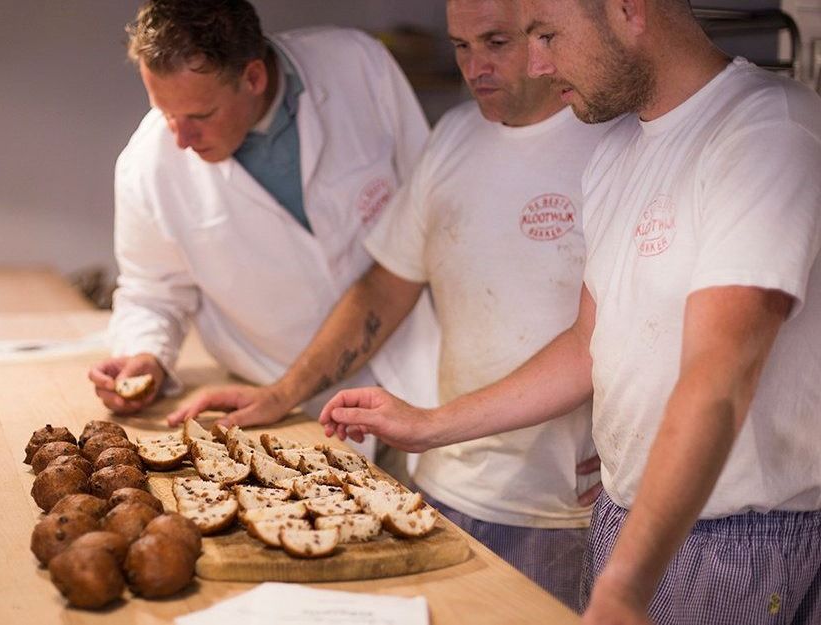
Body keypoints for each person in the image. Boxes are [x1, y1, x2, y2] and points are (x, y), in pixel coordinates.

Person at [320, 0, 821, 622]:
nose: (535, 62)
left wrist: (626, 583)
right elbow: (588, 343)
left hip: (730, 538)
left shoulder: (767, 131)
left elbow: (721, 378)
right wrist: (430, 424)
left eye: (546, 34)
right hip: (626, 517)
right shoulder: (620, 151)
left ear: (627, 10)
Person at [169, 0, 613, 608]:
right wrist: (282, 393)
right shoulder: (456, 135)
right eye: (461, 46)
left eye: (497, 43)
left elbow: (664, 320)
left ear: (546, 34)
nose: (475, 67)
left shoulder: (612, 138)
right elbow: (384, 287)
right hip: (446, 483)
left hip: (564, 507)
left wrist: (643, 441)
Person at [87, 0, 440, 479]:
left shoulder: (358, 65)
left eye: (199, 114)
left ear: (253, 77)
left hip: (424, 379)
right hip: (285, 411)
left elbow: (432, 206)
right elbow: (152, 294)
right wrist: (145, 355)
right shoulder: (146, 167)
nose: (180, 138)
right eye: (163, 111)